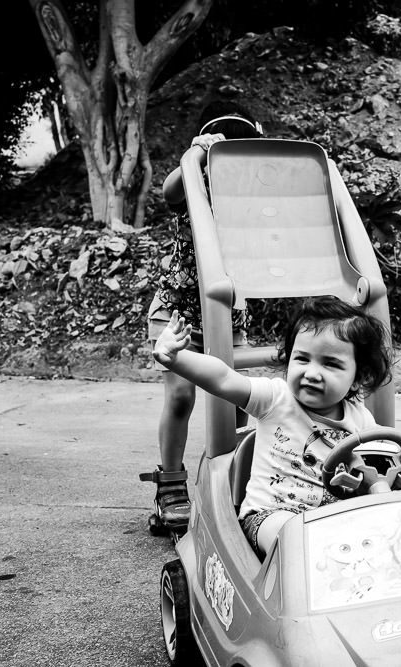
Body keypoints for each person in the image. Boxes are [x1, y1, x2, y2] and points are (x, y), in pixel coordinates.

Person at [152, 295, 401, 557]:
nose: (311, 373)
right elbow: (223, 378)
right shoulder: (275, 399)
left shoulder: (361, 419)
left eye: (330, 364)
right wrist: (177, 358)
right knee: (296, 541)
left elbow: (396, 462)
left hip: (333, 523)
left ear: (357, 377)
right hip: (271, 517)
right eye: (302, 358)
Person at [141, 100, 264, 532]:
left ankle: (227, 488)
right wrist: (195, 154)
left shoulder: (252, 197)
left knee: (236, 408)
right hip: (177, 311)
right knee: (181, 397)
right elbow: (170, 191)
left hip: (229, 318)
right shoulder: (195, 185)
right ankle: (170, 486)